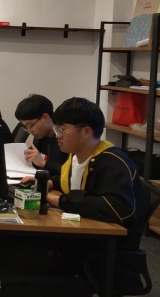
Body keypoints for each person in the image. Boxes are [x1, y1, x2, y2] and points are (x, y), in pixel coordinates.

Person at [31, 97, 148, 251]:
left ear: (86, 132)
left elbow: (115, 208)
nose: (57, 135)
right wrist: (51, 182)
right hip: (81, 236)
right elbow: (75, 181)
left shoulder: (113, 163)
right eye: (56, 129)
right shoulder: (75, 156)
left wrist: (60, 200)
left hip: (104, 248)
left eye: (62, 129)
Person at [14, 94, 68, 176]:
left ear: (45, 117)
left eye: (31, 125)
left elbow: (72, 173)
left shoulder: (66, 138)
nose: (29, 131)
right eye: (26, 126)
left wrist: (44, 163)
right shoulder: (40, 136)